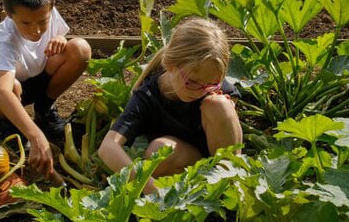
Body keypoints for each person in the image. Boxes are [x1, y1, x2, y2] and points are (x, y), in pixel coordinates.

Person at [98, 17, 243, 194]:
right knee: (159, 151)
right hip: (186, 161)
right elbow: (107, 147)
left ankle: (229, 183)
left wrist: (225, 110)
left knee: (219, 104)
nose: (201, 91)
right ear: (170, 65)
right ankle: (191, 192)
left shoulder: (207, 79)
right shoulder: (147, 96)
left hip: (217, 160)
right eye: (193, 83)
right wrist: (149, 188)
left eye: (211, 85)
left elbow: (230, 112)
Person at [0, 0, 91, 178]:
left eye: (42, 21)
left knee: (79, 49)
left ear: (51, 8)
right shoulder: (4, 38)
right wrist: (36, 137)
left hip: (32, 83)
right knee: (12, 86)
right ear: (8, 14)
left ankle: (44, 111)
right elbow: (2, 92)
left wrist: (60, 37)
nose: (36, 30)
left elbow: (59, 36)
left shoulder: (46, 10)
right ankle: (10, 130)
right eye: (25, 24)